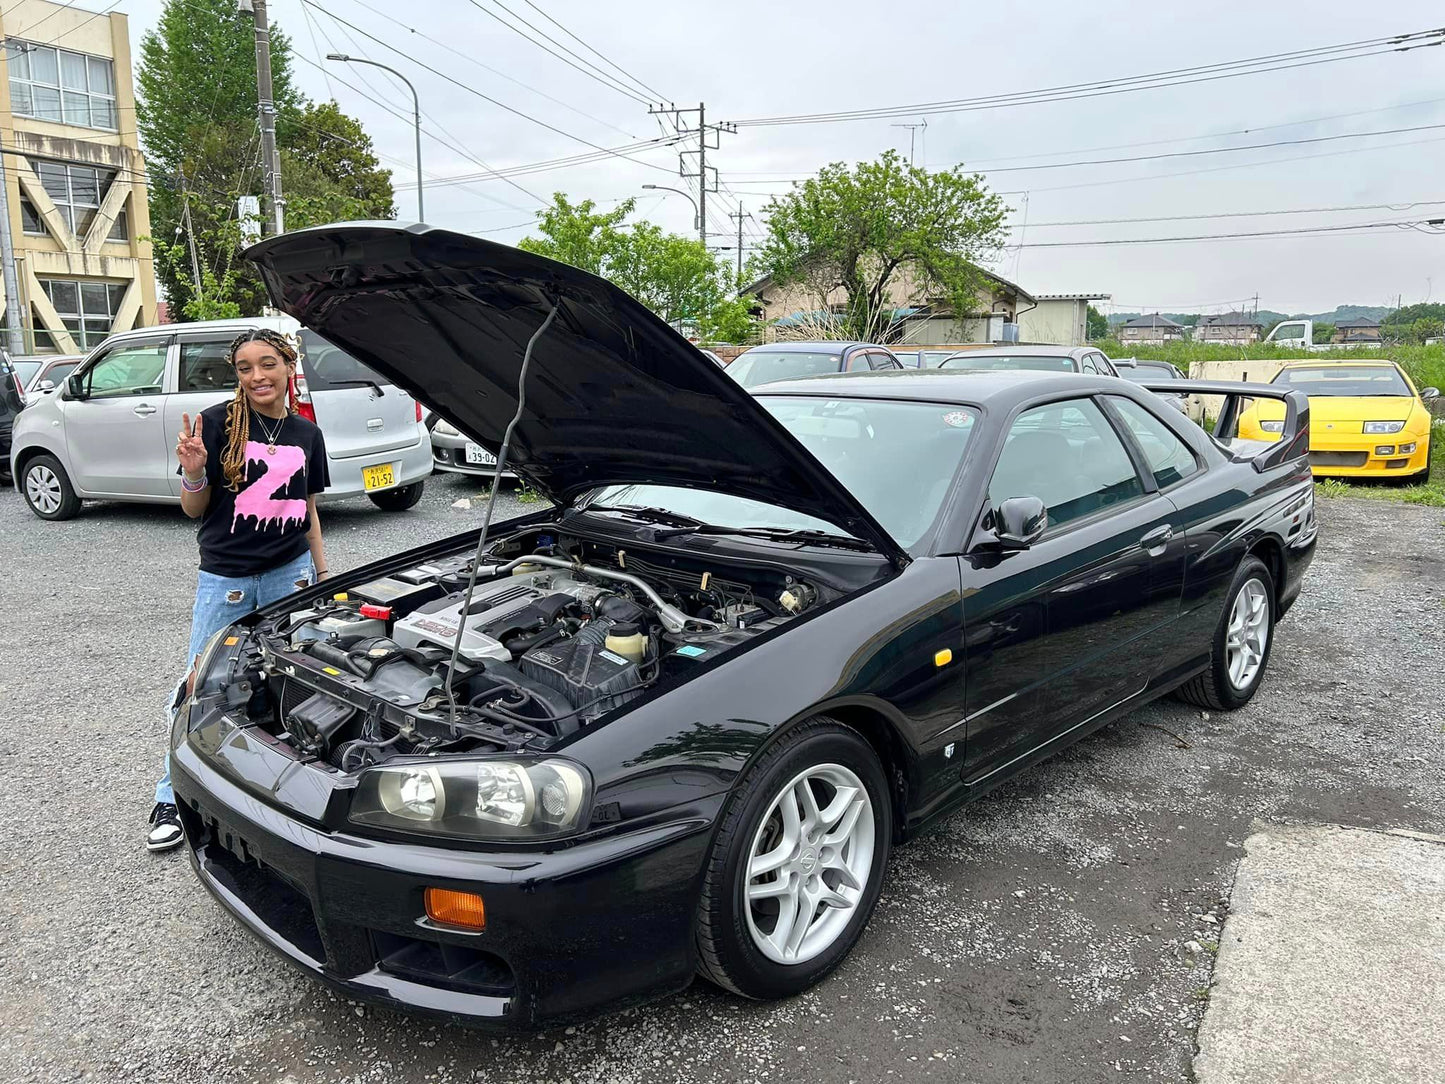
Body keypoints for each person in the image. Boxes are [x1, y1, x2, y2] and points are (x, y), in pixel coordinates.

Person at [147, 328, 332, 852]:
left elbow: (309, 511)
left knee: (287, 679)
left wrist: (321, 574)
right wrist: (194, 473)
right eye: (246, 367)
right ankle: (169, 793)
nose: (257, 377)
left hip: (290, 572)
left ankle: (280, 793)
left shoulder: (306, 434)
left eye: (267, 364)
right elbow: (194, 510)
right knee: (198, 684)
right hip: (225, 577)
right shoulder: (216, 424)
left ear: (288, 366)